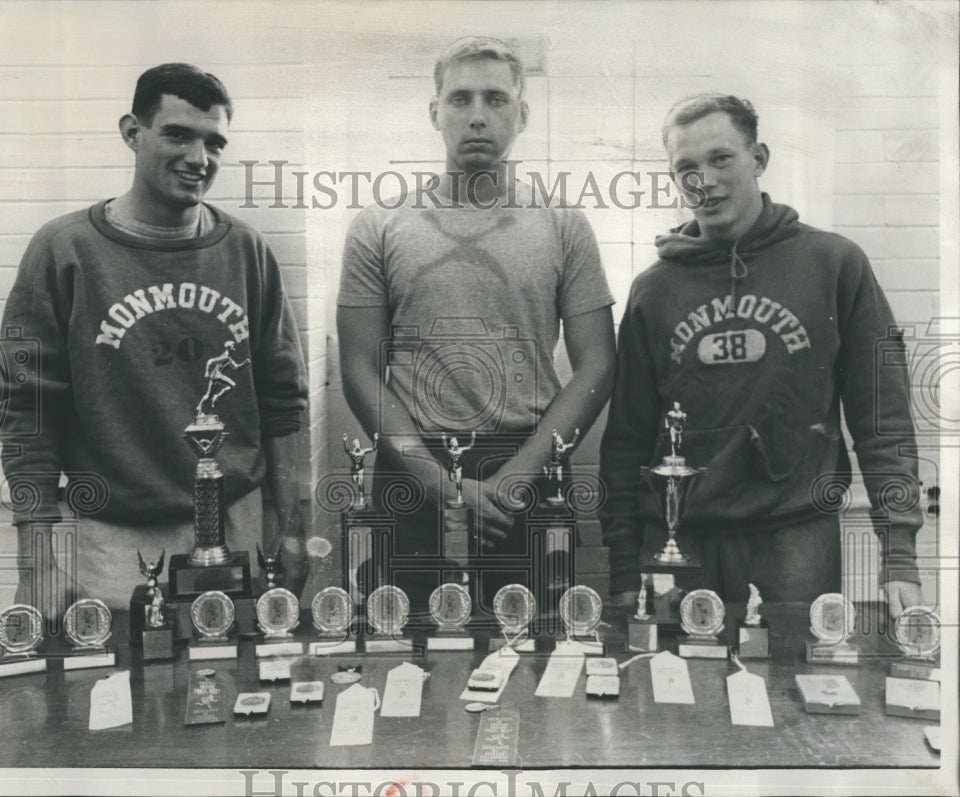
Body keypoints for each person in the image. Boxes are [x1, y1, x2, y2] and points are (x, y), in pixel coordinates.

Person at [0, 63, 309, 618]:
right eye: (178, 134)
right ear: (132, 132)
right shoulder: (64, 251)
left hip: (240, 527)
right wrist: (35, 555)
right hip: (118, 540)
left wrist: (291, 526)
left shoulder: (247, 252)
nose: (199, 158)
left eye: (214, 142)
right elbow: (28, 411)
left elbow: (284, 403)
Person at [599, 93, 925, 617]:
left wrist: (901, 555)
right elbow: (626, 441)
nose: (703, 180)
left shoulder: (834, 264)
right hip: (681, 543)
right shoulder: (652, 290)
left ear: (760, 158)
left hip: (796, 540)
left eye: (720, 158)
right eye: (686, 168)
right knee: (672, 695)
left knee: (795, 693)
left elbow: (882, 421)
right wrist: (621, 564)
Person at [337, 37, 615, 606]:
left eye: (496, 99)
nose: (478, 116)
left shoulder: (563, 222)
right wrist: (433, 479)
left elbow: (598, 364)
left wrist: (516, 479)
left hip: (528, 464)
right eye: (460, 99)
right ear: (435, 111)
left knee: (539, 665)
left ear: (522, 114)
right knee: (403, 662)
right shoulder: (380, 224)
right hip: (413, 466)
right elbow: (359, 367)